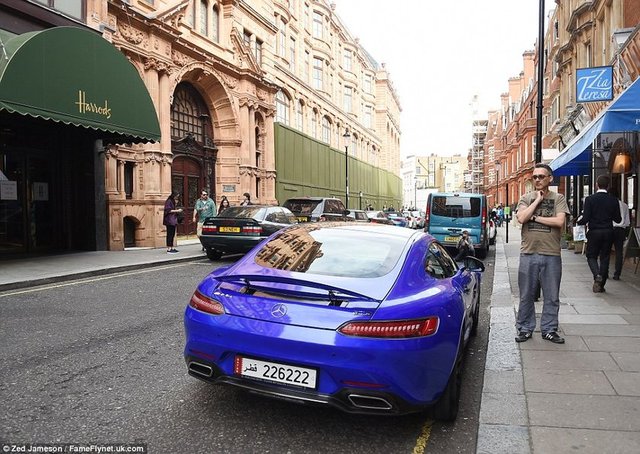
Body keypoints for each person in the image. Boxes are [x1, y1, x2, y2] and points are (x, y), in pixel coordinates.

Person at [514, 163, 570, 344]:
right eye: (535, 177)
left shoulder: (558, 198)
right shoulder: (525, 198)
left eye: (541, 176)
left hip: (551, 253)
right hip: (528, 253)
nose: (537, 179)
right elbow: (522, 218)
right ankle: (524, 328)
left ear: (550, 178)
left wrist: (536, 217)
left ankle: (549, 329)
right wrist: (537, 201)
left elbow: (559, 221)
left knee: (552, 295)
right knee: (526, 295)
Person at [577, 175, 621, 293]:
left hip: (594, 232)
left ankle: (597, 275)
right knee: (605, 257)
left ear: (597, 184)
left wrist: (578, 221)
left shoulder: (590, 199)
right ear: (608, 186)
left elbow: (585, 218)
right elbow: (618, 219)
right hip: (608, 231)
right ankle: (601, 285)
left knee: (591, 256)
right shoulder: (613, 200)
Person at [609, 188, 631, 281]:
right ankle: (617, 274)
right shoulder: (625, 205)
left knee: (606, 251)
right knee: (619, 252)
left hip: (610, 229)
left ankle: (604, 273)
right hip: (621, 230)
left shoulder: (608, 204)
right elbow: (627, 222)